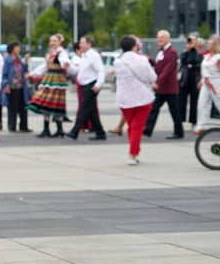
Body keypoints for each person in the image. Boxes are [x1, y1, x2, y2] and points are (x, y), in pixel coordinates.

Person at [112, 35, 157, 165]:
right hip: (142, 98)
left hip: (124, 100)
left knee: (132, 127)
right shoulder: (142, 60)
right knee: (137, 128)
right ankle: (132, 155)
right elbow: (152, 77)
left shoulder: (117, 62)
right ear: (134, 46)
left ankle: (135, 152)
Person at [27, 33, 70, 138]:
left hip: (57, 79)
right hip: (49, 78)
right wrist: (32, 73)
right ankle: (47, 128)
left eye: (54, 41)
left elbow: (65, 61)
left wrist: (64, 63)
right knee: (46, 102)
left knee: (56, 103)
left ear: (59, 42)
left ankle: (59, 129)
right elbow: (43, 66)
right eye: (51, 41)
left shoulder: (61, 52)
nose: (52, 43)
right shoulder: (50, 53)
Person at [144, 29, 184, 139]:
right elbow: (159, 67)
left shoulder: (171, 52)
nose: (159, 39)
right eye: (158, 37)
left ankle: (179, 132)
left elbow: (167, 70)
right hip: (162, 88)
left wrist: (157, 82)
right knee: (154, 108)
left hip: (169, 88)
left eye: (162, 37)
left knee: (174, 111)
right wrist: (151, 61)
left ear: (168, 39)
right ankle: (147, 129)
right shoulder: (162, 51)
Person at [66, 35, 107, 141]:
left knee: (83, 108)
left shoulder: (94, 55)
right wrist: (69, 67)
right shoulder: (85, 56)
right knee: (91, 111)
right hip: (85, 85)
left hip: (91, 85)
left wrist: (98, 84)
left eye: (82, 43)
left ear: (89, 44)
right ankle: (100, 132)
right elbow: (79, 70)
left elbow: (101, 70)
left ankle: (74, 131)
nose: (80, 45)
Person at [0, 41, 31, 132]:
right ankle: (12, 126)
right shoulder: (7, 59)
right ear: (12, 49)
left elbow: (24, 70)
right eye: (17, 47)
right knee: (12, 107)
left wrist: (26, 61)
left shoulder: (19, 58)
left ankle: (23, 126)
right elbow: (4, 73)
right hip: (12, 86)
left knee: (23, 106)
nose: (18, 49)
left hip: (21, 86)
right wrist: (6, 84)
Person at [195, 34, 220, 135]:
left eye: (210, 44)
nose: (208, 45)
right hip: (206, 81)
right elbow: (203, 70)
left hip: (215, 82)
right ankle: (202, 124)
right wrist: (201, 81)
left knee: (218, 103)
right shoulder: (206, 57)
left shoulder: (218, 57)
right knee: (202, 103)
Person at [179, 34, 203, 129]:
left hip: (195, 79)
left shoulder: (199, 54)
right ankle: (180, 121)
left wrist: (191, 66)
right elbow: (183, 61)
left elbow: (199, 65)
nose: (191, 42)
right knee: (181, 101)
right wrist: (187, 50)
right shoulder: (185, 52)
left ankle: (194, 121)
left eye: (193, 40)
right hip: (185, 79)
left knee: (194, 102)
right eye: (190, 40)